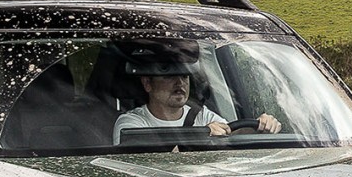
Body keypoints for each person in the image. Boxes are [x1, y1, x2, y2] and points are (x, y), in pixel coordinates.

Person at [112, 38, 280, 144]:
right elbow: (147, 162)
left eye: (185, 76)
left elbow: (230, 133)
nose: (180, 83)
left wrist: (259, 127)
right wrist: (203, 134)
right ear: (147, 83)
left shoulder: (202, 115)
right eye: (170, 76)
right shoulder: (131, 124)